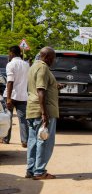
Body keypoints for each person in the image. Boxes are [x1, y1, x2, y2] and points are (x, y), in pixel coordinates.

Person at [26, 47, 63, 180]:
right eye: (53, 58)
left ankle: (30, 169)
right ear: (47, 57)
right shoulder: (43, 68)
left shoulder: (33, 67)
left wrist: (55, 86)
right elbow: (40, 90)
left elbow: (39, 86)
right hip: (41, 110)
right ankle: (39, 171)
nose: (54, 61)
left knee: (33, 141)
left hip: (31, 109)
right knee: (44, 141)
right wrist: (44, 114)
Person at [1, 46, 30, 147]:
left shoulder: (10, 64)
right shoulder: (26, 65)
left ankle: (5, 139)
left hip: (11, 95)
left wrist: (8, 98)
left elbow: (10, 82)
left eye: (9, 53)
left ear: (12, 53)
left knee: (8, 117)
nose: (8, 55)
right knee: (23, 119)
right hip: (22, 96)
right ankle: (25, 140)